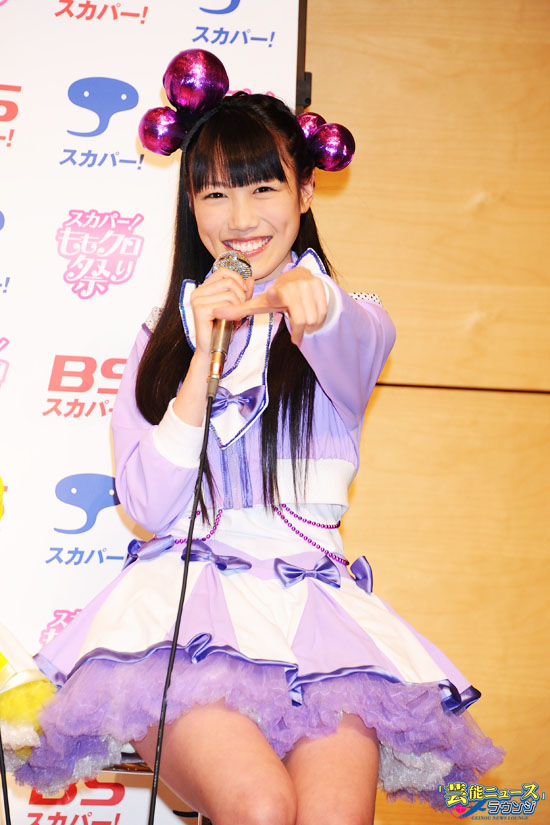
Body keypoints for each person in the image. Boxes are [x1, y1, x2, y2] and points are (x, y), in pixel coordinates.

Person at [11, 51, 502, 825]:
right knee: (261, 807)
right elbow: (149, 504)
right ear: (191, 205)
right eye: (215, 192)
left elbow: (346, 327)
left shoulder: (351, 318)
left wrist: (317, 301)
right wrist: (202, 354)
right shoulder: (162, 340)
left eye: (264, 187)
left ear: (305, 191)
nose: (240, 217)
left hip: (320, 624)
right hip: (184, 624)